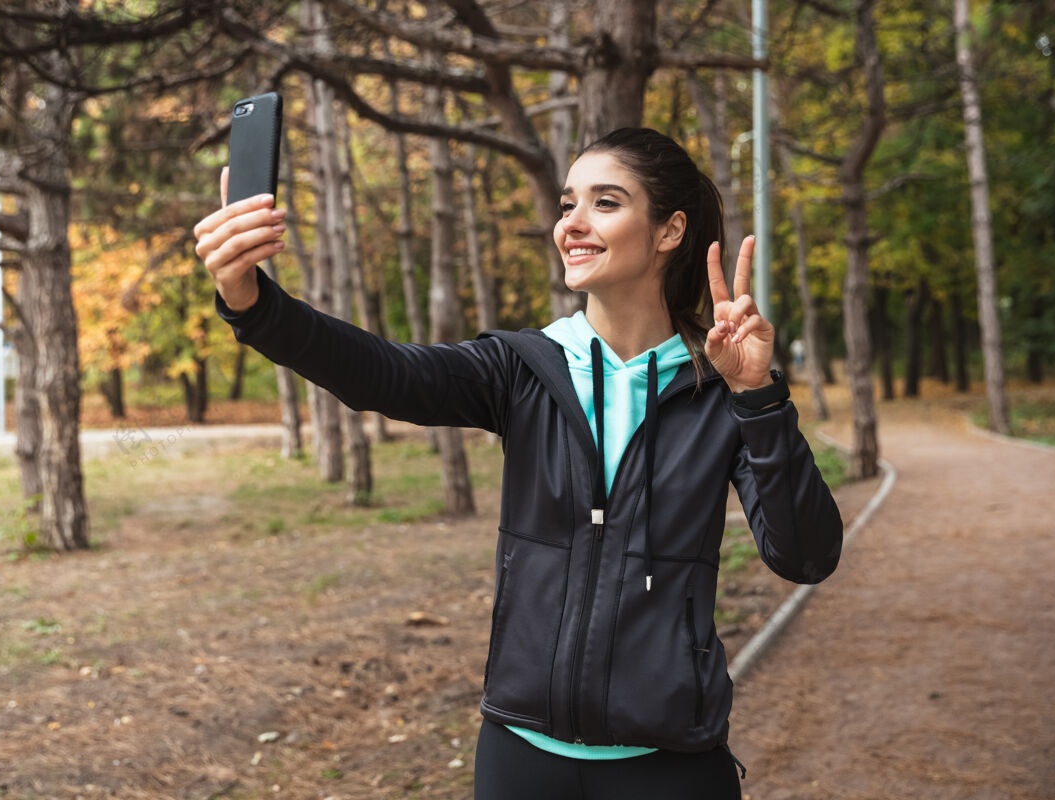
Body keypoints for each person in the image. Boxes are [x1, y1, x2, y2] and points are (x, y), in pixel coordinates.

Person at [194, 127, 843, 800]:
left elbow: (806, 557)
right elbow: (382, 374)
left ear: (669, 229)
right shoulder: (522, 368)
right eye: (567, 205)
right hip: (520, 759)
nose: (573, 225)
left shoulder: (719, 384)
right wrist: (254, 304)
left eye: (605, 203)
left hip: (671, 765)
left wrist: (758, 399)